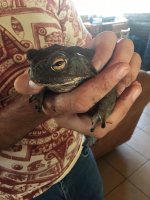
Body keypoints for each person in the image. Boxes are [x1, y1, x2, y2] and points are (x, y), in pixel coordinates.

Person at [0, 0, 142, 199]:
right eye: (30, 60)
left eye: (57, 64)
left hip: (78, 155)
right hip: (18, 189)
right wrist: (40, 103)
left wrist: (110, 52)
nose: (32, 70)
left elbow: (102, 80)